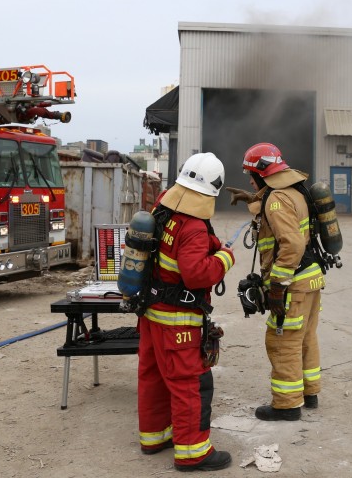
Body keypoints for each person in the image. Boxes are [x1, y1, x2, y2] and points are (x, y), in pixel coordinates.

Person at [137, 152, 234, 471]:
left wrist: (213, 245)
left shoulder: (163, 207)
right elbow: (196, 274)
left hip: (151, 314)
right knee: (190, 384)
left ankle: (155, 437)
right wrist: (225, 258)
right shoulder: (193, 226)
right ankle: (193, 453)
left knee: (153, 376)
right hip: (178, 321)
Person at [226, 142, 324, 421]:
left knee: (282, 341)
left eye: (251, 175)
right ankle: (309, 393)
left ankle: (286, 405)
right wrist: (252, 198)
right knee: (305, 337)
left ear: (262, 173)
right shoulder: (293, 191)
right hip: (311, 279)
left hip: (293, 283)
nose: (249, 180)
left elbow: (292, 244)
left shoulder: (276, 200)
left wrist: (278, 286)